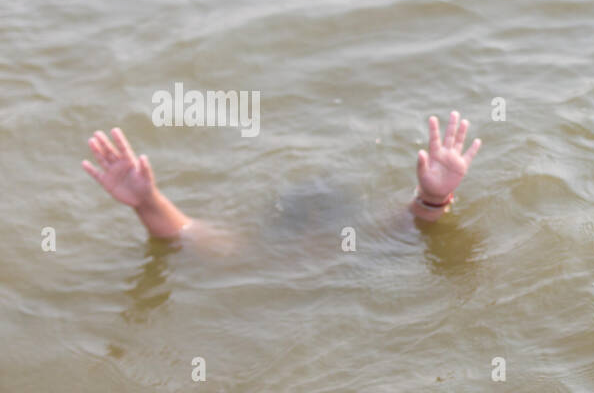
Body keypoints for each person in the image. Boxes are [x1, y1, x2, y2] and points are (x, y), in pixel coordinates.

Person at [80, 112, 482, 238]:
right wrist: (147, 201)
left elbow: (406, 223)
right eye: (301, 232)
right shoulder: (267, 257)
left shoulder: (351, 249)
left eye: (317, 233)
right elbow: (191, 236)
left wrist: (434, 197)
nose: (309, 249)